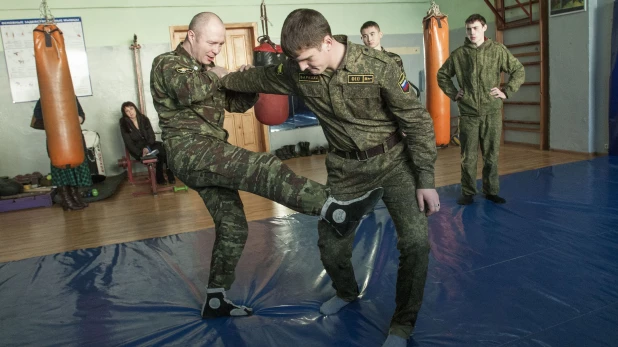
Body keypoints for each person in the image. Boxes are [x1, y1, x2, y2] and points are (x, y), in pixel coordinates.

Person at [219, 9, 440, 347]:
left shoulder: (379, 67)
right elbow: (257, 80)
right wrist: (223, 76)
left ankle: (402, 324)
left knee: (415, 243)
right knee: (331, 245)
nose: (303, 67)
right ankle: (347, 291)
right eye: (298, 62)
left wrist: (425, 179)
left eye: (307, 59)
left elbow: (419, 122)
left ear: (326, 42)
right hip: (346, 171)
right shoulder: (298, 70)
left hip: (395, 164)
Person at [149, 12, 383, 320]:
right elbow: (189, 90)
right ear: (191, 36)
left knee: (233, 225)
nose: (216, 50)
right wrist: (219, 73)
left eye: (220, 44)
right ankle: (334, 208)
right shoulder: (167, 63)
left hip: (209, 153)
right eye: (211, 42)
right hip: (191, 151)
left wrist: (249, 83)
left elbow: (235, 104)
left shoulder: (206, 69)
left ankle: (216, 299)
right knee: (262, 167)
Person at [437, 14, 525, 205]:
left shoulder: (497, 51)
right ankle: (468, 191)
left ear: (484, 28)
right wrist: (454, 93)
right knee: (467, 156)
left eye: (476, 28)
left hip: (491, 112)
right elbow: (442, 75)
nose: (472, 32)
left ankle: (491, 190)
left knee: (491, 155)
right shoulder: (459, 54)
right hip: (468, 113)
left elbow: (518, 70)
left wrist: (506, 91)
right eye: (469, 29)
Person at [33, 97, 91, 211]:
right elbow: (38, 118)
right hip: (57, 140)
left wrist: (79, 118)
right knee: (61, 170)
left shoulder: (70, 96)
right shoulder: (44, 98)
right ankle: (66, 200)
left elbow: (81, 114)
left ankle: (75, 197)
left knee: (76, 169)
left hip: (73, 138)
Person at [119, 101, 175, 185]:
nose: (130, 112)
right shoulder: (123, 123)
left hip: (150, 145)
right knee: (161, 152)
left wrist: (147, 147)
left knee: (165, 148)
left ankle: (162, 176)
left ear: (135, 109)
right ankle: (166, 176)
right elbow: (128, 143)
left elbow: (151, 136)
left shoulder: (143, 119)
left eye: (131, 109)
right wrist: (141, 152)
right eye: (127, 111)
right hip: (138, 150)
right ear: (124, 113)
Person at [360, 20, 419, 97]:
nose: (369, 39)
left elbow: (403, 85)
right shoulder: (359, 60)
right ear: (362, 38)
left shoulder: (394, 58)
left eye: (372, 34)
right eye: (365, 36)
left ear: (380, 34)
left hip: (390, 103)